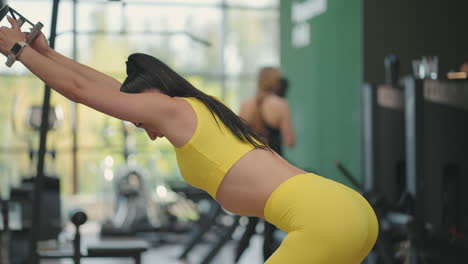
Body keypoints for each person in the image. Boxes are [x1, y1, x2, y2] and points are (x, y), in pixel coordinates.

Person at [0, 17, 378, 263]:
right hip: (348, 210)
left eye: (140, 117)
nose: (143, 127)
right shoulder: (192, 107)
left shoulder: (174, 110)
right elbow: (102, 85)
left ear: (153, 94)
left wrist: (16, 50)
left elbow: (81, 90)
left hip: (325, 219)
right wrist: (45, 53)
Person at [235, 67, 292, 262]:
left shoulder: (246, 104)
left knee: (250, 224)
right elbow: (290, 140)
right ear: (276, 83)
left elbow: (238, 140)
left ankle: (235, 260)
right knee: (270, 225)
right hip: (274, 172)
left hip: (252, 171)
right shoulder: (280, 105)